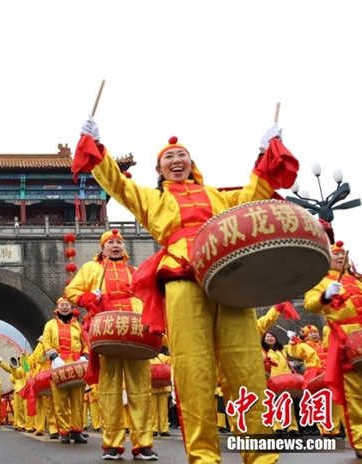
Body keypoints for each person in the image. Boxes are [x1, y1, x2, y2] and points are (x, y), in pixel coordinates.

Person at [76, 116, 296, 463]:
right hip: (180, 277)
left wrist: (265, 154)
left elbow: (256, 194)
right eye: (169, 157)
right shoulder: (152, 200)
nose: (177, 161)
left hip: (226, 274)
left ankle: (262, 457)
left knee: (247, 365)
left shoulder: (218, 196)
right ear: (159, 169)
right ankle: (204, 457)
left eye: (183, 156)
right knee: (193, 371)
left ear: (192, 164)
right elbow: (117, 185)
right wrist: (98, 149)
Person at [65, 229, 157, 460]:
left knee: (140, 390)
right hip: (107, 332)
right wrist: (89, 298)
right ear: (102, 247)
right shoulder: (91, 269)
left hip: (136, 332)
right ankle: (112, 444)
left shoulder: (134, 272)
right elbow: (71, 292)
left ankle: (143, 444)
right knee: (109, 390)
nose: (116, 246)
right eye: (111, 243)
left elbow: (149, 297)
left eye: (119, 242)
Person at [303, 240, 362, 459]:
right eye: (336, 256)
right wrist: (325, 296)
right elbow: (310, 304)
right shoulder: (320, 281)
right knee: (358, 394)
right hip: (350, 340)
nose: (341, 258)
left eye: (343, 255)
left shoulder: (361, 280)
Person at [42, 297, 89, 445]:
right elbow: (46, 342)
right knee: (60, 401)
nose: (64, 307)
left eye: (67, 305)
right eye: (62, 305)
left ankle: (77, 431)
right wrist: (54, 356)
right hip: (59, 365)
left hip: (77, 366)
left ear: (71, 308)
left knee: (77, 400)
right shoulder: (50, 325)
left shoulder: (78, 326)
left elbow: (85, 343)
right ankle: (64, 432)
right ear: (57, 308)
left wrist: (85, 356)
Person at [261, 331, 300, 436]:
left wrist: (292, 340)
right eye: (267, 337)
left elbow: (293, 350)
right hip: (272, 379)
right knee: (273, 404)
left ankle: (292, 428)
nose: (270, 338)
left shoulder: (282, 349)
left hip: (287, 379)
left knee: (289, 404)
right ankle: (277, 427)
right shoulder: (263, 351)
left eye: (272, 336)